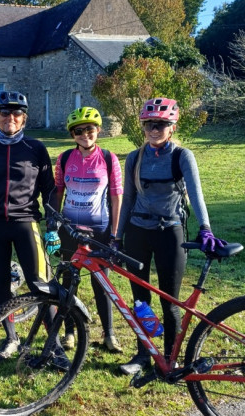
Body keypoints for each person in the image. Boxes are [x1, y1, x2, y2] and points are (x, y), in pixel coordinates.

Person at [115, 97, 227, 375]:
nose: (154, 130)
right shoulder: (135, 158)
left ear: (172, 127)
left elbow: (197, 194)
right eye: (149, 124)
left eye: (161, 124)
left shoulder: (182, 156)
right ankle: (143, 355)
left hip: (170, 233)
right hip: (138, 232)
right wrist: (117, 237)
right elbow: (127, 199)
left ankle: (169, 359)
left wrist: (205, 227)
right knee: (140, 300)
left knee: (170, 301)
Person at [0, 91, 68, 367]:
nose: (11, 117)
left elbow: (50, 189)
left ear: (24, 119)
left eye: (16, 113)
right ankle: (11, 338)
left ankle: (55, 346)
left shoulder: (35, 148)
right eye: (4, 113)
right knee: (1, 284)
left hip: (26, 223)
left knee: (41, 284)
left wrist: (52, 226)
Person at [52, 106, 123, 353]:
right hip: (70, 230)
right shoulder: (64, 159)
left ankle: (109, 334)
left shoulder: (109, 159)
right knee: (68, 281)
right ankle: (70, 332)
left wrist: (115, 234)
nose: (85, 135)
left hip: (99, 230)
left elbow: (116, 197)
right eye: (78, 131)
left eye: (89, 129)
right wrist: (54, 224)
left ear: (98, 130)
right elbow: (58, 192)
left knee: (101, 283)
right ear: (73, 135)